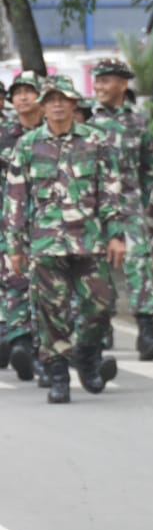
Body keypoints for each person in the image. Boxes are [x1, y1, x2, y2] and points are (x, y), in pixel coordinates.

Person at [3, 76, 127, 403]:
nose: (58, 105)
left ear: (74, 104)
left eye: (64, 99)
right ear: (43, 106)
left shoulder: (96, 141)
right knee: (50, 312)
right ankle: (57, 374)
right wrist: (13, 246)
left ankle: (86, 354)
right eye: (51, 99)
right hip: (45, 244)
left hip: (88, 240)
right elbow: (15, 198)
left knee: (101, 303)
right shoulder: (27, 146)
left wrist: (116, 234)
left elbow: (111, 191)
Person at [90, 57, 153, 361]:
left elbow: (150, 169)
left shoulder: (138, 123)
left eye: (106, 80)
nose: (100, 86)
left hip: (131, 208)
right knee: (97, 270)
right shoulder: (86, 122)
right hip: (95, 211)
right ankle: (100, 325)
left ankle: (147, 329)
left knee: (137, 263)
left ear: (123, 84)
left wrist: (152, 211)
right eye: (97, 80)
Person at [0, 70, 44, 381]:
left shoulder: (55, 133)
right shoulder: (4, 135)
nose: (24, 97)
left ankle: (45, 348)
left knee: (47, 286)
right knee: (14, 280)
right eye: (18, 92)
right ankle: (21, 343)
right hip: (9, 218)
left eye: (30, 91)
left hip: (49, 222)